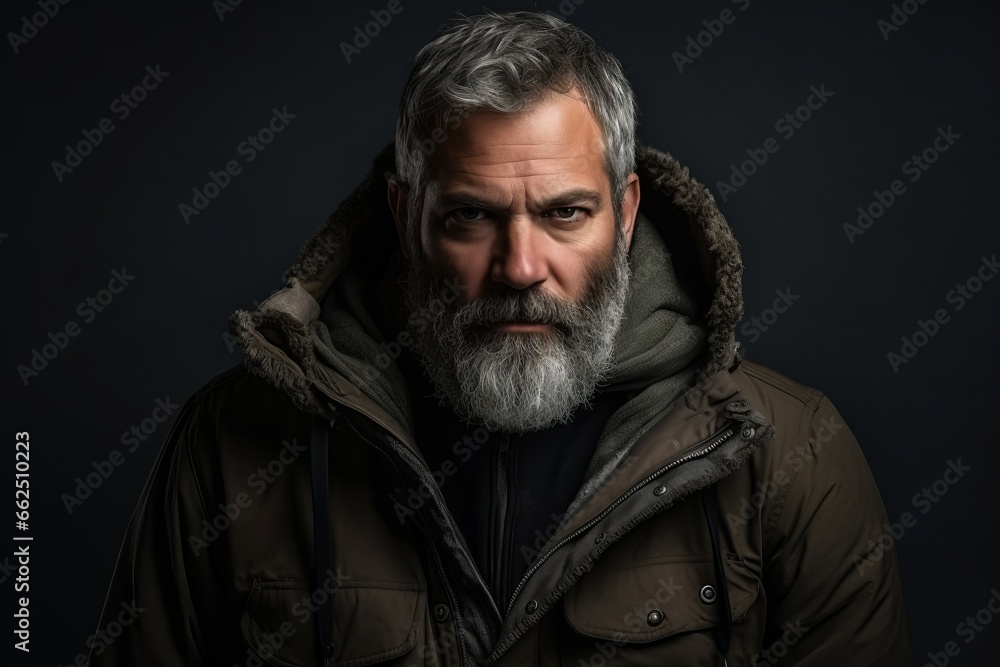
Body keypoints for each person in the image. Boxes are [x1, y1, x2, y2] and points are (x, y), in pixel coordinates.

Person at [89, 10, 913, 666]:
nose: (520, 266)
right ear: (406, 216)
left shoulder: (786, 454)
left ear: (624, 214)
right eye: (471, 216)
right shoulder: (232, 446)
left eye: (564, 213)